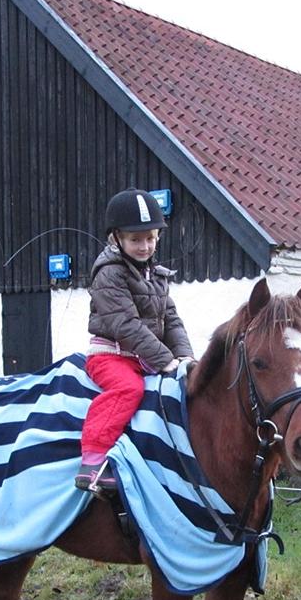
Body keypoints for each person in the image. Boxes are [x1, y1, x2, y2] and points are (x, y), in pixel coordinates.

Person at [76, 188, 195, 494]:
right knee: (129, 389)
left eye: (151, 238)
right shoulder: (108, 274)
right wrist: (165, 359)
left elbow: (173, 320)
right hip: (112, 356)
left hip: (144, 358)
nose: (145, 246)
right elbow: (124, 324)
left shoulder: (156, 275)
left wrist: (185, 357)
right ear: (116, 238)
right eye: (135, 239)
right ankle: (92, 460)